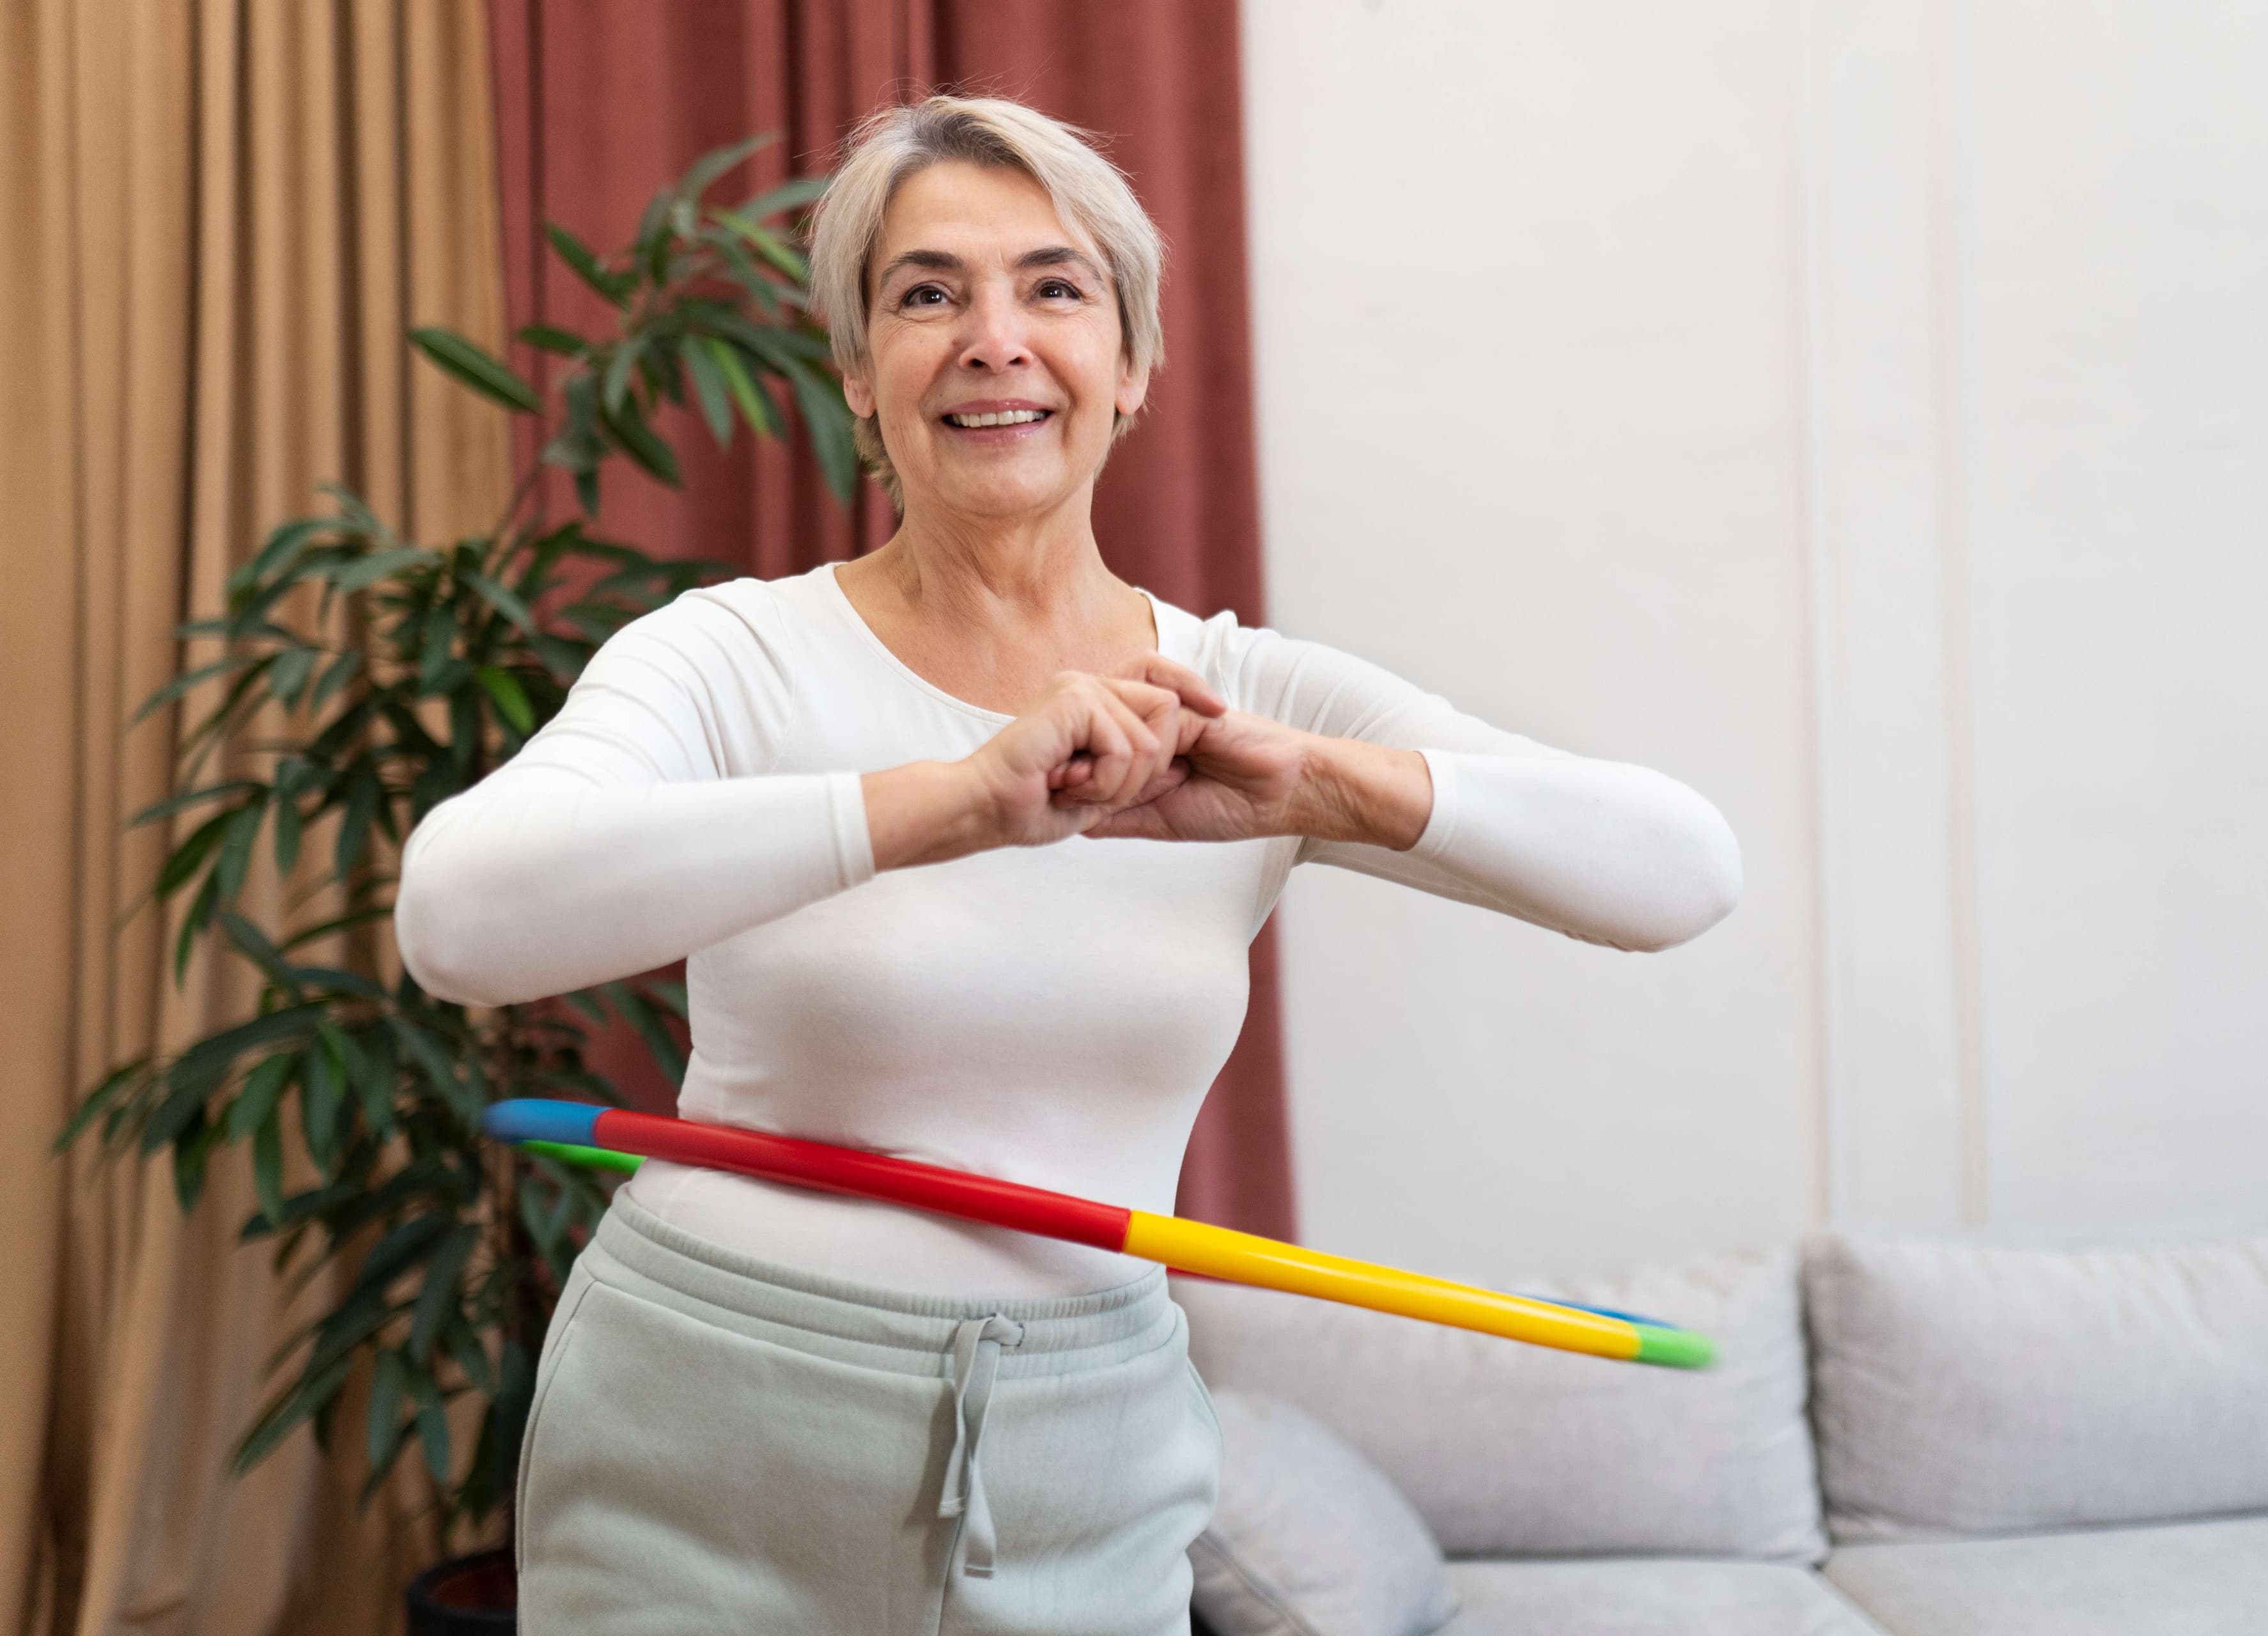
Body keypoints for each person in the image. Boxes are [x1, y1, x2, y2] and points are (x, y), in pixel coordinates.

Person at [394, 93, 1743, 1636]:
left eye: (1054, 285)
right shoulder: (728, 654)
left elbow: (1678, 874)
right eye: (925, 293)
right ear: (855, 374)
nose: (993, 335)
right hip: (713, 1421)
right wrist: (950, 803)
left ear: (1135, 365)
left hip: (1083, 1453)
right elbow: (460, 913)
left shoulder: (1250, 698)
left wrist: (1318, 781)